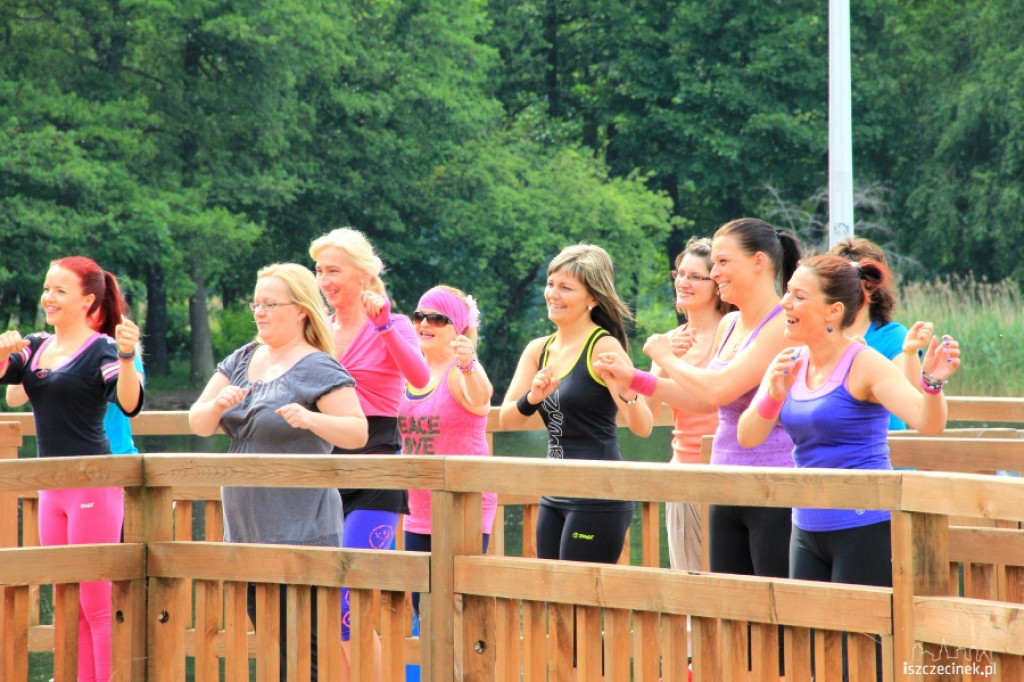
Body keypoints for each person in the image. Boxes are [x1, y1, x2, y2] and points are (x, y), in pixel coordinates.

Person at [736, 254, 961, 589]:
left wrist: (932, 382)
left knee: (859, 640)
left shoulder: (865, 363)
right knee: (811, 640)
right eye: (787, 293)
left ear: (834, 311)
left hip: (863, 525)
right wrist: (772, 394)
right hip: (805, 526)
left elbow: (928, 423)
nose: (785, 303)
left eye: (799, 296)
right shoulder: (788, 362)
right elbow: (748, 436)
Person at [188, 263, 368, 682]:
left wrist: (311, 419)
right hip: (248, 529)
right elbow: (197, 423)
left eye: (270, 304)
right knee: (272, 646)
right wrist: (216, 407)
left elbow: (358, 431)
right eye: (257, 303)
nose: (260, 312)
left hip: (301, 530)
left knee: (307, 652)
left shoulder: (318, 366)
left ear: (302, 310)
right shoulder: (242, 358)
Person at [625, 218, 802, 579]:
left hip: (771, 487)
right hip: (722, 479)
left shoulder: (783, 326)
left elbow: (720, 388)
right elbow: (707, 402)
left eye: (723, 262)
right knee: (726, 609)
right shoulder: (730, 324)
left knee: (774, 615)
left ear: (758, 262)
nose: (715, 272)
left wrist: (667, 359)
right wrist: (634, 379)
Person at [0, 255, 143, 682]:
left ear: (88, 300)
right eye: (47, 288)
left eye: (60, 290)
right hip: (51, 488)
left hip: (92, 487)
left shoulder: (101, 349)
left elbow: (131, 403)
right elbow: (10, 388)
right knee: (67, 596)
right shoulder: (38, 344)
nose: (49, 297)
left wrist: (128, 357)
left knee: (97, 604)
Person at [309, 227, 430, 669]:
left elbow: (418, 378)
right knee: (322, 600)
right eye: (319, 271)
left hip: (376, 466)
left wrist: (383, 327)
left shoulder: (393, 324)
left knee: (349, 603)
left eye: (334, 270)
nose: (324, 280)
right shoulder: (317, 328)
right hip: (323, 468)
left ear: (362, 275)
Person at [499, 243, 653, 565]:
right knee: (552, 601)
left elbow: (643, 426)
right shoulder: (538, 349)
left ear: (593, 299)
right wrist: (533, 398)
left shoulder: (603, 345)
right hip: (553, 492)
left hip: (598, 495)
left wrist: (625, 389)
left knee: (577, 603)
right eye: (551, 284)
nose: (553, 294)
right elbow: (506, 420)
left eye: (566, 288)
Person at [398, 285, 495, 619]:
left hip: (461, 507)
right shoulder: (410, 372)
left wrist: (468, 363)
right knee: (423, 609)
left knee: (457, 610)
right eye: (419, 316)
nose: (425, 324)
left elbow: (482, 399)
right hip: (418, 509)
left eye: (437, 319)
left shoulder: (461, 371)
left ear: (458, 329)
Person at [828, 237, 931, 430]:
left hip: (886, 450)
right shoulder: (822, 334)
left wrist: (909, 353)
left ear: (872, 288)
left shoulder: (892, 335)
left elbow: (911, 399)